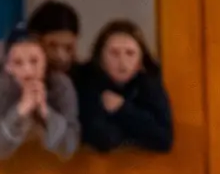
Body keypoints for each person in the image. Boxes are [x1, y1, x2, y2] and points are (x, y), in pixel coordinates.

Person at [73, 20, 173, 153]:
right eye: (114, 53)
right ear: (100, 58)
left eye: (130, 53)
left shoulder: (149, 85)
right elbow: (101, 137)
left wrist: (122, 109)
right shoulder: (86, 83)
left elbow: (163, 138)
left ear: (140, 60)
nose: (122, 62)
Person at [0, 29, 79, 163]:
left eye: (34, 61)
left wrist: (46, 113)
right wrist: (20, 111)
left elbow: (69, 148)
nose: (28, 71)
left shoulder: (61, 86)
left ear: (45, 61)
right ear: (8, 67)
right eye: (18, 63)